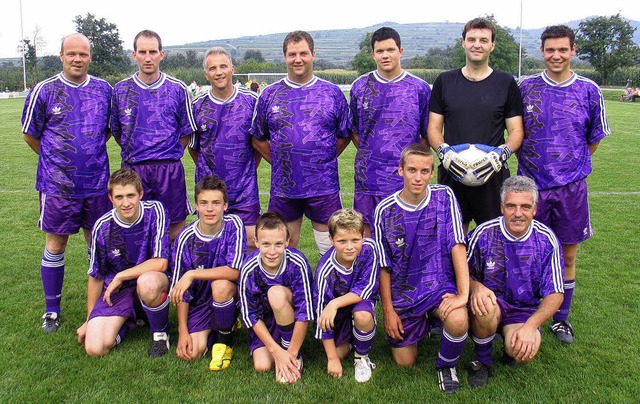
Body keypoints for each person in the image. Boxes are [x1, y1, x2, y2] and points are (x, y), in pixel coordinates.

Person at [518, 25, 610, 344]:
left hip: (571, 189)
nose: (556, 55)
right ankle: (526, 316)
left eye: (562, 49)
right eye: (550, 49)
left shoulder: (588, 90)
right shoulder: (525, 88)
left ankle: (561, 318)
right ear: (542, 52)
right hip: (530, 189)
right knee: (529, 253)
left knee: (567, 256)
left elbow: (593, 140)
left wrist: (568, 165)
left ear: (573, 50)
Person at [21, 33, 113, 333]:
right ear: (61, 55)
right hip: (57, 186)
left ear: (90, 57)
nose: (77, 59)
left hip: (97, 183)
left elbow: (108, 132)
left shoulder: (103, 90)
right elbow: (30, 134)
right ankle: (52, 309)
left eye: (83, 54)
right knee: (56, 243)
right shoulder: (44, 90)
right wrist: (56, 160)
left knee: (96, 245)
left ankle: (100, 306)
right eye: (71, 54)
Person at [372, 144, 469, 394]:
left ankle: (446, 366)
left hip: (438, 285)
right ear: (400, 170)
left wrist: (463, 295)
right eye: (412, 170)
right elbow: (384, 266)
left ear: (432, 172)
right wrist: (388, 311)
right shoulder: (384, 210)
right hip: (404, 291)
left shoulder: (444, 197)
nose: (418, 177)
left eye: (424, 171)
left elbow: (457, 246)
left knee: (458, 319)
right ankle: (425, 323)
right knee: (405, 362)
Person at [251, 30, 351, 255]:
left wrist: (321, 158)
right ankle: (288, 290)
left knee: (332, 249)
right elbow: (257, 138)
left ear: (313, 54)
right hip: (284, 187)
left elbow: (345, 134)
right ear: (284, 56)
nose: (298, 59)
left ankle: (331, 290)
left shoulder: (332, 93)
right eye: (292, 54)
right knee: (280, 249)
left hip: (323, 185)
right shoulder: (270, 95)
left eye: (303, 53)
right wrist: (279, 161)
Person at [466, 176, 564, 387]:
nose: (518, 213)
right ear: (502, 207)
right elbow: (460, 270)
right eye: (511, 206)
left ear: (535, 209)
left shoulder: (547, 240)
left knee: (522, 354)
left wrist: (531, 326)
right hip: (491, 304)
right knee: (485, 307)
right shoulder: (483, 233)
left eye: (525, 207)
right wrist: (476, 287)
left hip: (523, 310)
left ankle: (509, 342)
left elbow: (556, 293)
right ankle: (482, 360)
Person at [428, 17, 524, 232]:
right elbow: (433, 128)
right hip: (452, 172)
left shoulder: (506, 83)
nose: (477, 44)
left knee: (492, 239)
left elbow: (516, 130)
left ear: (492, 45)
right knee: (452, 239)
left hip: (492, 175)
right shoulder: (444, 81)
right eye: (471, 39)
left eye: (483, 40)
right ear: (463, 42)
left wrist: (501, 154)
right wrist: (445, 152)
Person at [111, 29, 197, 242]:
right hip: (134, 169)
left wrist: (169, 152)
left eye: (152, 51)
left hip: (168, 168)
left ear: (161, 54)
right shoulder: (121, 90)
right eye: (142, 52)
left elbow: (186, 131)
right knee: (135, 228)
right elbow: (117, 131)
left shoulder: (177, 89)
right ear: (134, 55)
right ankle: (138, 274)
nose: (147, 57)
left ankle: (174, 274)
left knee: (175, 227)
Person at [75, 168, 172, 358]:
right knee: (95, 348)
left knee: (147, 283)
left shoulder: (156, 212)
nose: (126, 203)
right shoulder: (102, 227)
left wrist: (121, 275)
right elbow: (96, 276)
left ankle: (160, 333)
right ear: (111, 198)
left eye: (131, 195)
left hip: (150, 282)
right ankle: (127, 323)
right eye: (119, 197)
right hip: (118, 291)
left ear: (140, 194)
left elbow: (161, 262)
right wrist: (89, 318)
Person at [349, 26, 431, 237]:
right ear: (373, 54)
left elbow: (426, 135)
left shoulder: (419, 88)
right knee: (368, 238)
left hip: (406, 178)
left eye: (390, 50)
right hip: (369, 178)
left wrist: (409, 164)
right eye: (380, 51)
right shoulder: (360, 86)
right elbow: (356, 132)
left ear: (400, 51)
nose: (385, 55)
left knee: (405, 238)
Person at [169, 175, 246, 370]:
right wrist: (183, 331)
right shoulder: (185, 237)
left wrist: (192, 274)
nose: (210, 209)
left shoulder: (234, 225)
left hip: (229, 294)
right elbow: (181, 292)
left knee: (220, 285)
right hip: (199, 303)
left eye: (216, 203)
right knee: (193, 352)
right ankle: (221, 324)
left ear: (225, 206)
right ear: (196, 205)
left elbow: (234, 272)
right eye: (203, 203)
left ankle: (224, 342)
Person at [191, 47, 261, 250]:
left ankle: (246, 283)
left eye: (223, 66)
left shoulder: (251, 102)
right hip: (209, 191)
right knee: (211, 245)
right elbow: (194, 148)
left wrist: (243, 170)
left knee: (249, 243)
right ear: (206, 73)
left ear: (232, 69)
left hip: (244, 190)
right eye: (212, 68)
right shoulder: (197, 105)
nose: (218, 72)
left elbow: (257, 145)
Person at [238, 212, 314, 384]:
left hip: (289, 315)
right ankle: (280, 349)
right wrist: (276, 353)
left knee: (276, 294)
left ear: (287, 241)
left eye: (278, 244)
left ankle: (293, 352)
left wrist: (290, 354)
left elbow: (305, 311)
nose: (272, 251)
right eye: (266, 244)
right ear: (256, 242)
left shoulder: (297, 263)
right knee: (262, 365)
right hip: (265, 322)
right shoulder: (249, 268)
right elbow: (250, 316)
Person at [313, 208, 379, 383]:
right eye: (342, 241)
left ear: (363, 238)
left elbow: (366, 288)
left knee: (362, 315)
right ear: (331, 240)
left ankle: (361, 357)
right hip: (339, 315)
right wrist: (332, 359)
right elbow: (321, 317)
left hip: (359, 304)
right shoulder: (324, 271)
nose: (349, 247)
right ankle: (352, 338)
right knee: (338, 353)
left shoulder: (370, 249)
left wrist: (334, 303)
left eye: (355, 240)